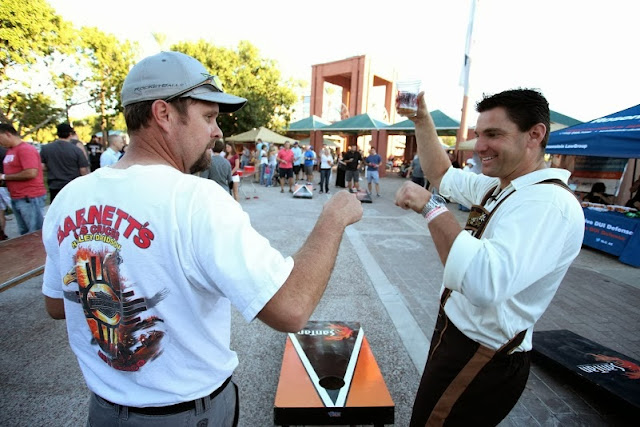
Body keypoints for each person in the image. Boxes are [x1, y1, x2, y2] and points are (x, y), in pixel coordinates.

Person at [41, 51, 363, 427]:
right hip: (188, 415)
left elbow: (56, 304)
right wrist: (333, 218)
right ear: (163, 114)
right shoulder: (196, 199)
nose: (217, 131)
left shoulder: (70, 198)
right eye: (208, 116)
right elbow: (291, 308)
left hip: (105, 412)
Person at [394, 88, 584, 426]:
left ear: (534, 135)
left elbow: (481, 284)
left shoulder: (547, 205)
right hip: (458, 336)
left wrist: (432, 207)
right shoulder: (503, 186)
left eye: (493, 134)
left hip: (482, 354)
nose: (480, 146)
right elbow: (441, 174)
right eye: (479, 134)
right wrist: (422, 119)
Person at [0, 123, 47, 235]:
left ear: (8, 134)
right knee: (25, 233)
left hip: (29, 197)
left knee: (35, 233)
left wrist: (4, 177)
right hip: (17, 197)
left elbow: (31, 172)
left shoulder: (25, 149)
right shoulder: (11, 151)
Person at [40, 123, 90, 202]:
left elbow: (42, 167)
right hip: (72, 186)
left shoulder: (46, 148)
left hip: (54, 186)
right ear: (70, 134)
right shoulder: (76, 150)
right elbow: (83, 170)